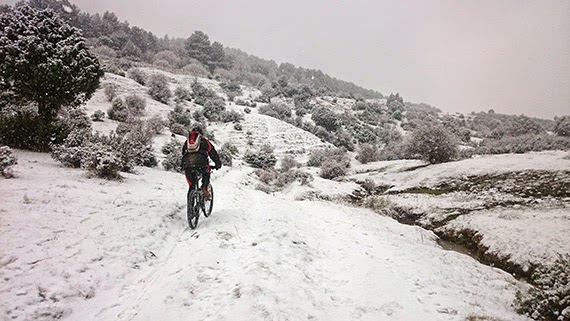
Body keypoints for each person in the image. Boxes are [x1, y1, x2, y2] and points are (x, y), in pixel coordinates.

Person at [181, 126, 222, 199]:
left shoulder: (187, 142)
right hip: (201, 163)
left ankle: (190, 205)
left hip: (187, 164)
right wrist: (217, 164)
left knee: (191, 186)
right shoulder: (204, 141)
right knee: (207, 172)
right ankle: (204, 188)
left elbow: (183, 153)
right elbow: (213, 153)